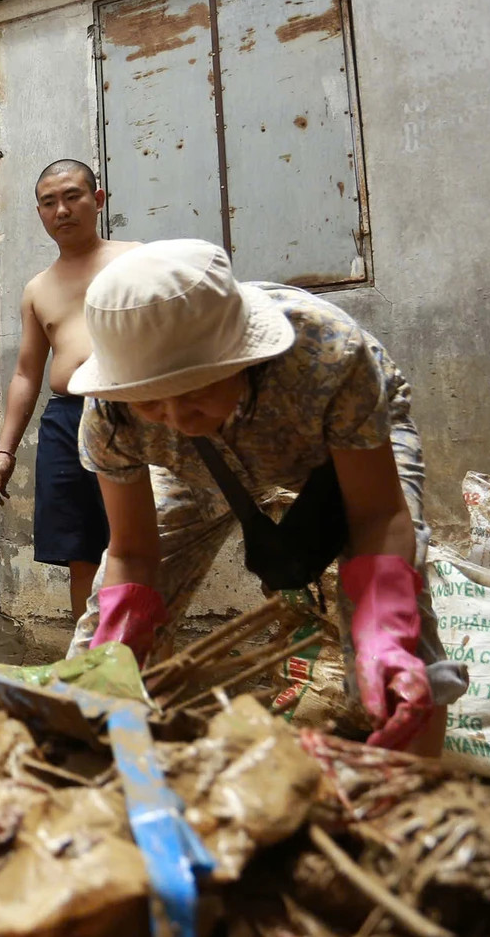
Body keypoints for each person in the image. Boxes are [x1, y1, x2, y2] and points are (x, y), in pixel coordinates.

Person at [69, 239, 468, 752]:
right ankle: (94, 774)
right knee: (103, 640)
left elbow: (377, 515)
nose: (175, 418)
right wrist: (115, 652)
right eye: (151, 402)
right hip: (192, 470)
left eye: (195, 391)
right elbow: (134, 552)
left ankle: (413, 791)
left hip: (335, 448)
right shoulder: (112, 413)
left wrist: (386, 634)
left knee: (398, 623)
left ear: (241, 359)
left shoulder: (328, 358)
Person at [0, 159, 139, 620]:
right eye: (50, 202)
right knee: (80, 549)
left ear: (98, 199)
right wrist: (5, 450)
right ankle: (92, 658)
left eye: (73, 196)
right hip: (65, 419)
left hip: (130, 411)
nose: (62, 210)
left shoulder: (135, 259)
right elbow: (27, 374)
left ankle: (145, 659)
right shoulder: (37, 289)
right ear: (39, 212)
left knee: (134, 540)